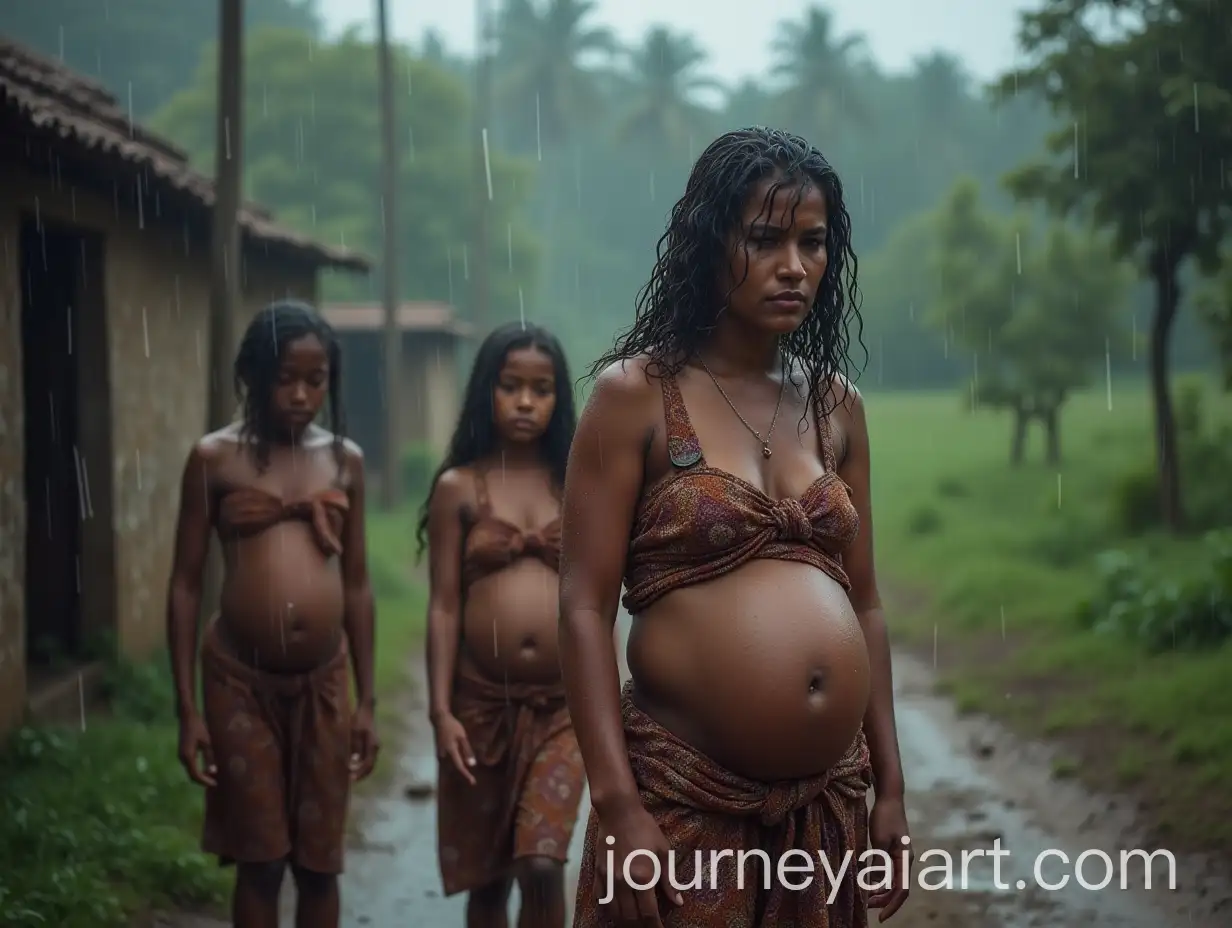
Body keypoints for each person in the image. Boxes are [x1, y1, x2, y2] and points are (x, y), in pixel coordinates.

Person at [558, 126, 911, 927]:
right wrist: (617, 805)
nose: (795, 265)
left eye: (813, 242)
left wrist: (889, 789)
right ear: (710, 243)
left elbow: (866, 604)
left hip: (826, 809)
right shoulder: (635, 396)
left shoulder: (836, 406)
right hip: (681, 800)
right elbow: (582, 607)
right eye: (765, 238)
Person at [165, 300, 378, 928]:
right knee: (260, 860)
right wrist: (187, 708)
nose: (302, 394)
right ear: (255, 376)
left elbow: (359, 586)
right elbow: (183, 585)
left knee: (319, 863)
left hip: (325, 682)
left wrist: (366, 701)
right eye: (286, 378)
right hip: (238, 681)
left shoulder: (345, 460)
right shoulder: (214, 458)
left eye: (317, 381)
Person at [418, 320, 584, 928]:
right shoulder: (459, 488)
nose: (524, 402)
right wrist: (441, 712)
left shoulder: (578, 485)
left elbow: (597, 604)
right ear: (486, 390)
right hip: (479, 707)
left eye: (541, 389)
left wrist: (616, 702)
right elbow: (442, 605)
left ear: (558, 398)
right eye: (510, 385)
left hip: (563, 710)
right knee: (485, 881)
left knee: (542, 864)